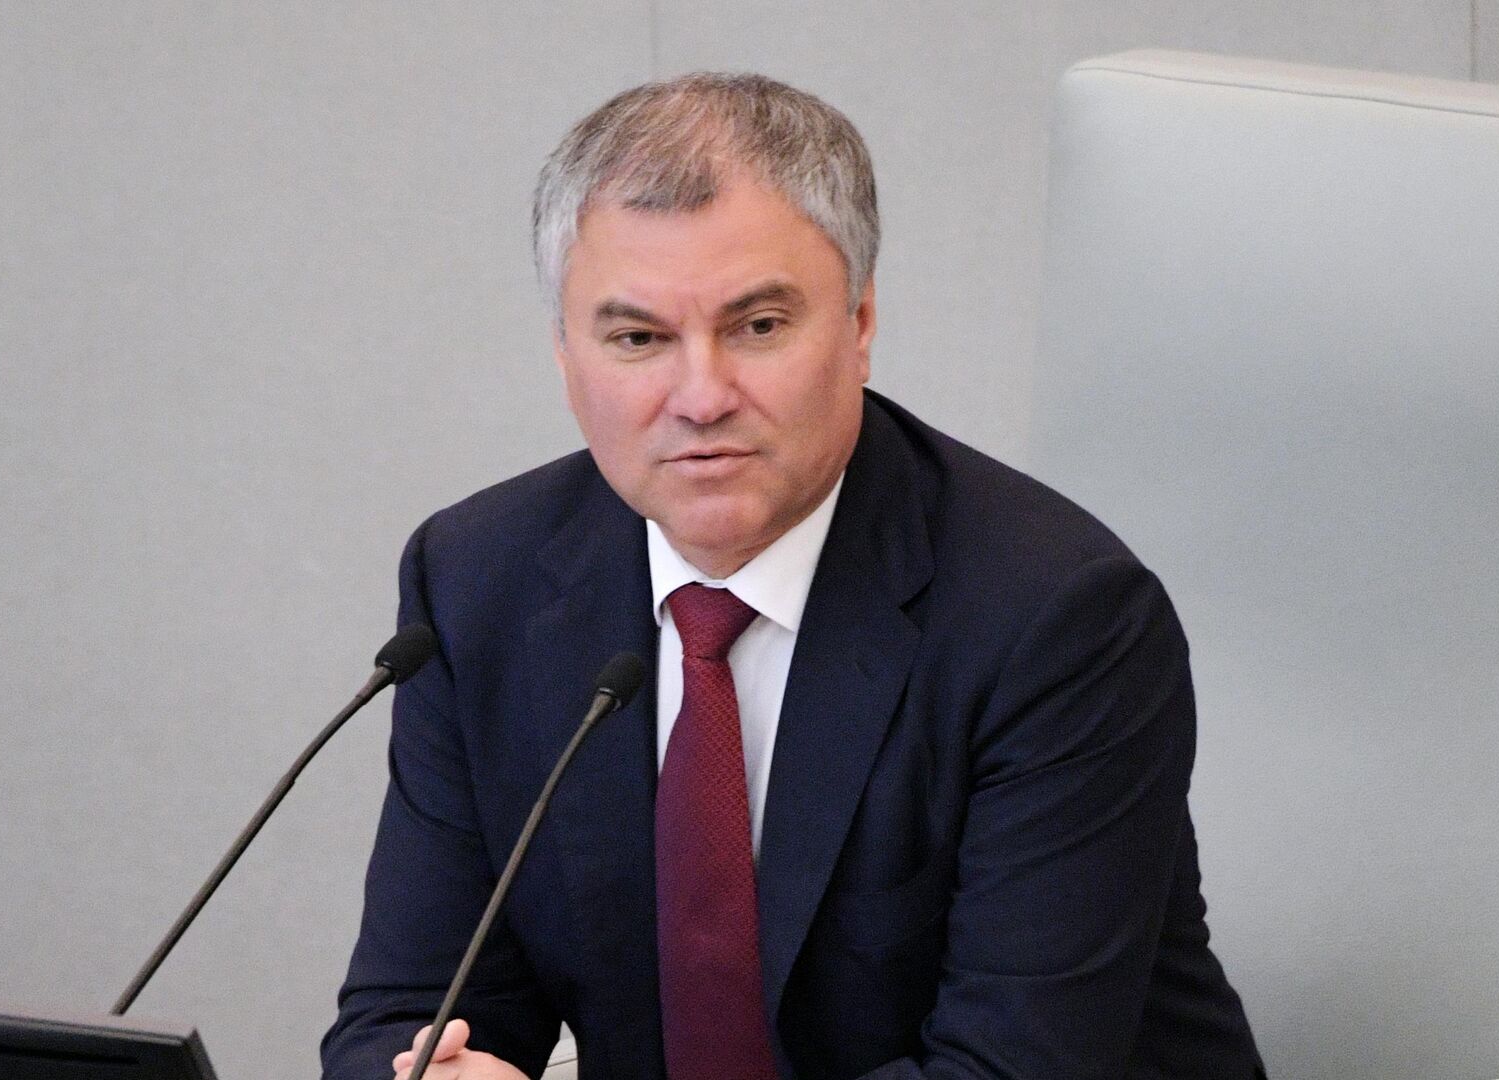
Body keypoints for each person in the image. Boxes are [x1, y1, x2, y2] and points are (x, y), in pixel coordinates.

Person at [320, 73, 1264, 1080]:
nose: (701, 397)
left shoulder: (1055, 618)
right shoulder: (480, 584)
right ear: (564, 354)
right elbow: (411, 1009)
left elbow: (1007, 1068)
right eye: (638, 339)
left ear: (860, 324)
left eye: (758, 327)